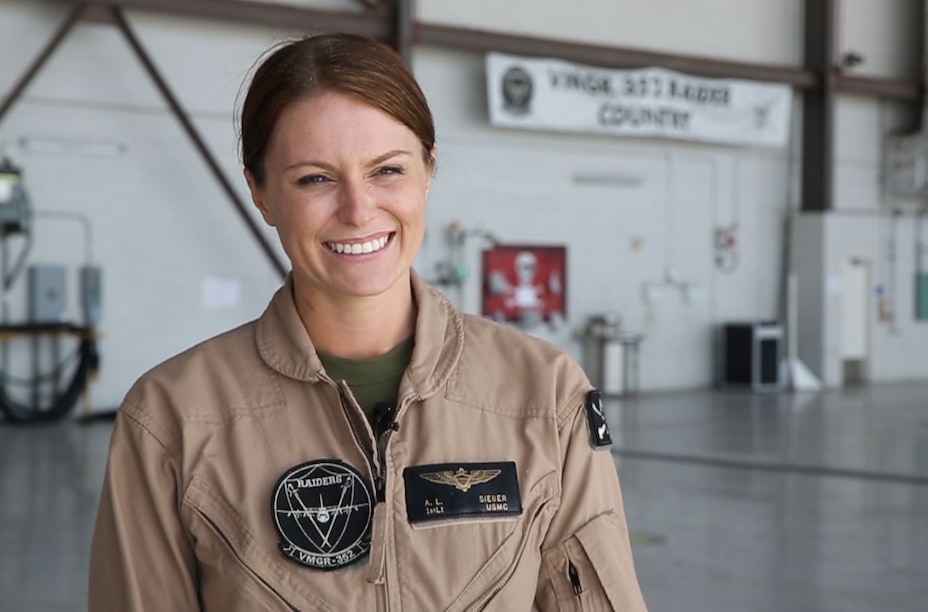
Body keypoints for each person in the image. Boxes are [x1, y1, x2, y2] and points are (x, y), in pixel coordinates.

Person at [89, 33, 646, 611]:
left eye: (387, 170)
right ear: (260, 191)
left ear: (428, 169)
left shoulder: (546, 394)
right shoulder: (170, 420)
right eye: (314, 178)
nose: (358, 210)